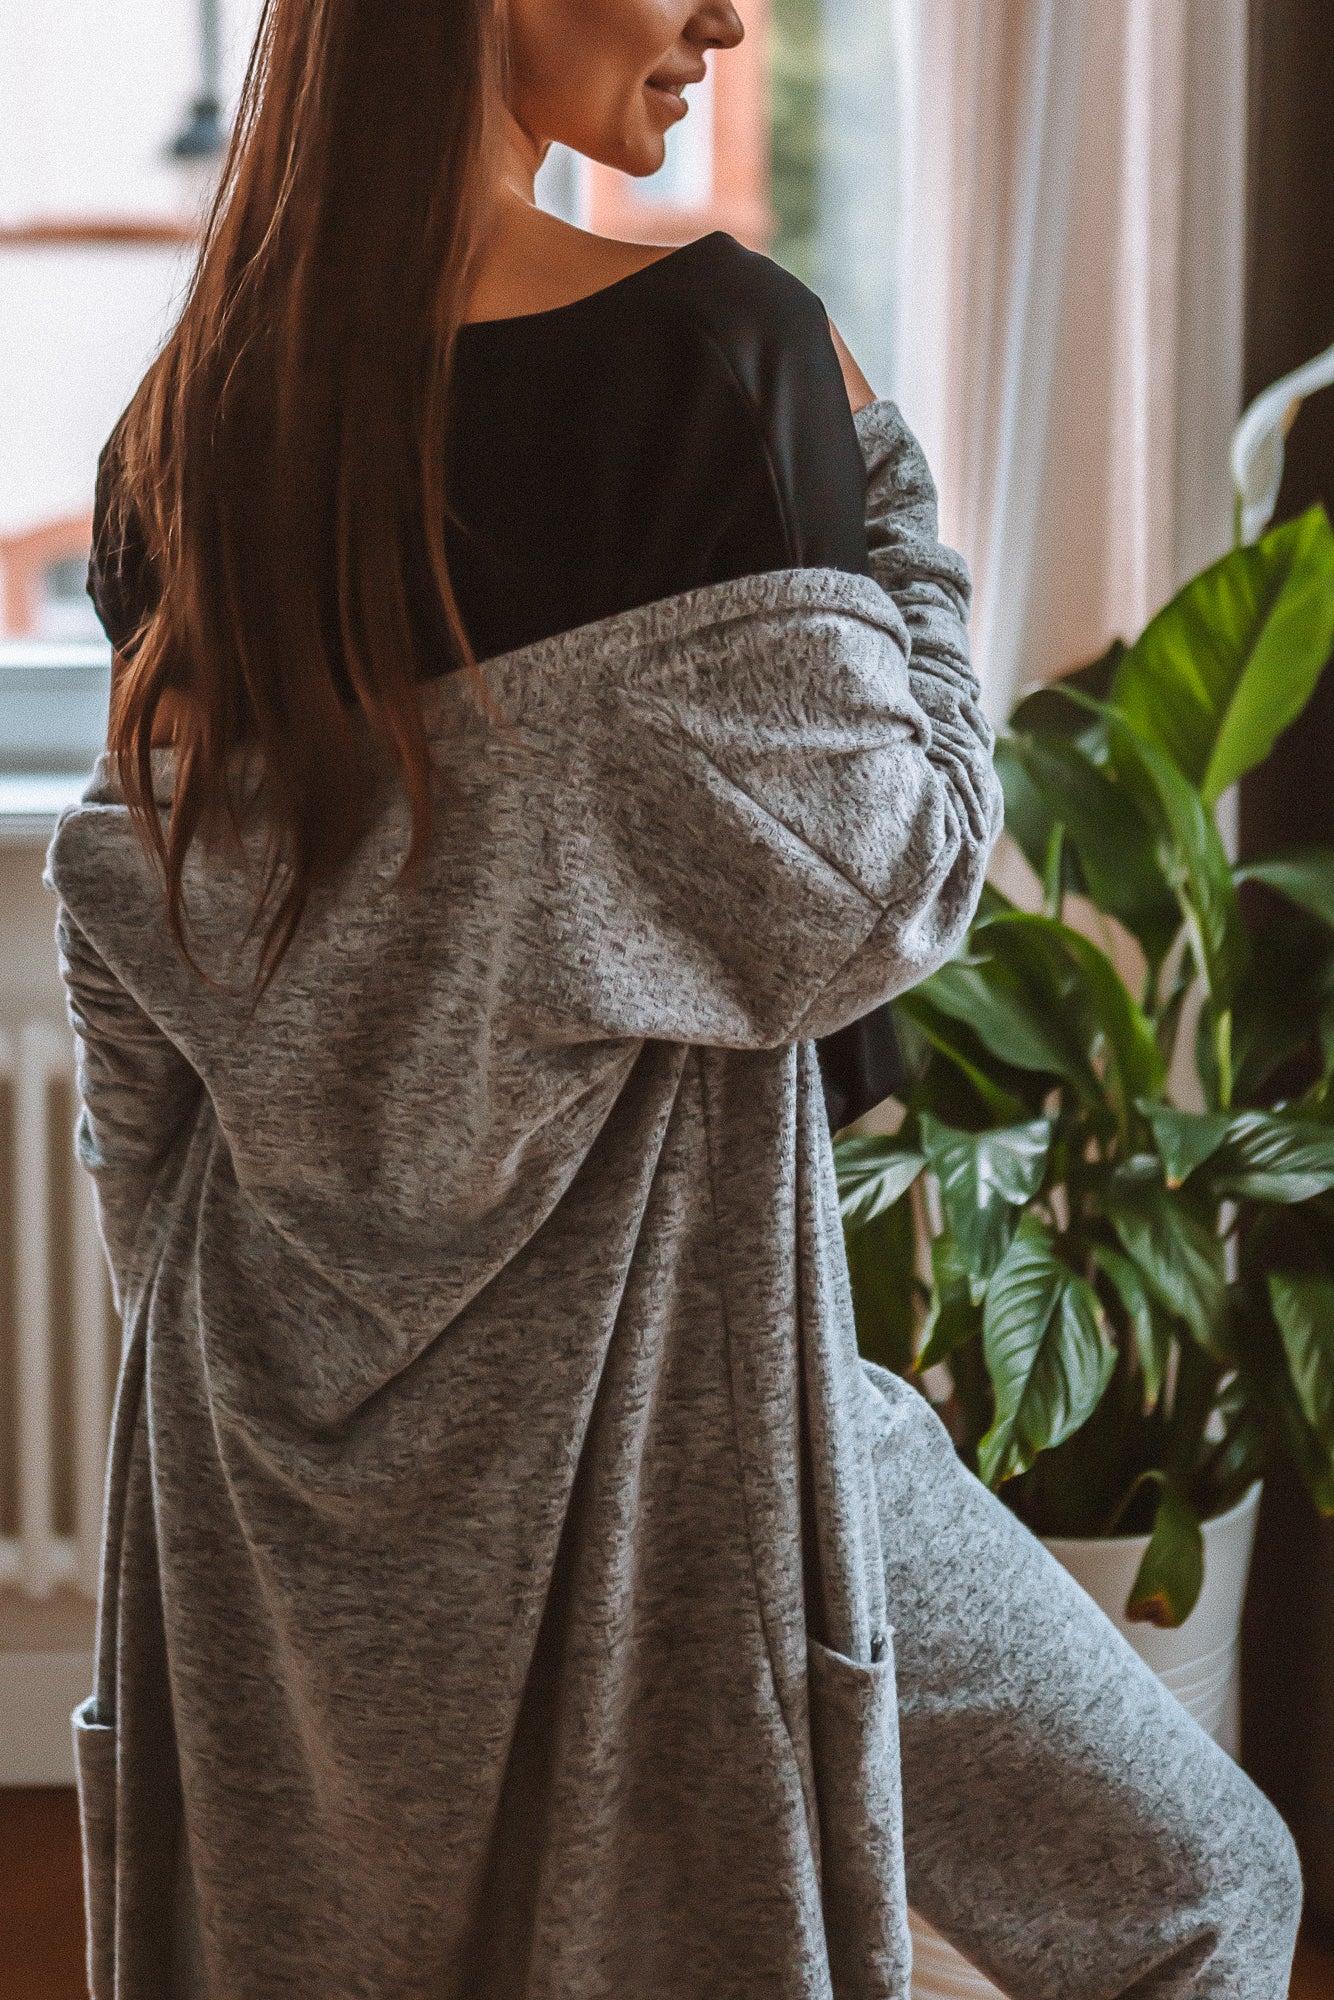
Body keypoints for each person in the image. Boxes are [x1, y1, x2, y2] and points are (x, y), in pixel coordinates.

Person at [49, 1, 1301, 1996]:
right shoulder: (727, 352)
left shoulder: (170, 445)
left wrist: (328, 1438)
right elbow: (897, 885)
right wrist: (885, 488)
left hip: (270, 1471)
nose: (731, 12)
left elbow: (148, 1065)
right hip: (690, 1421)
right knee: (1197, 1889)